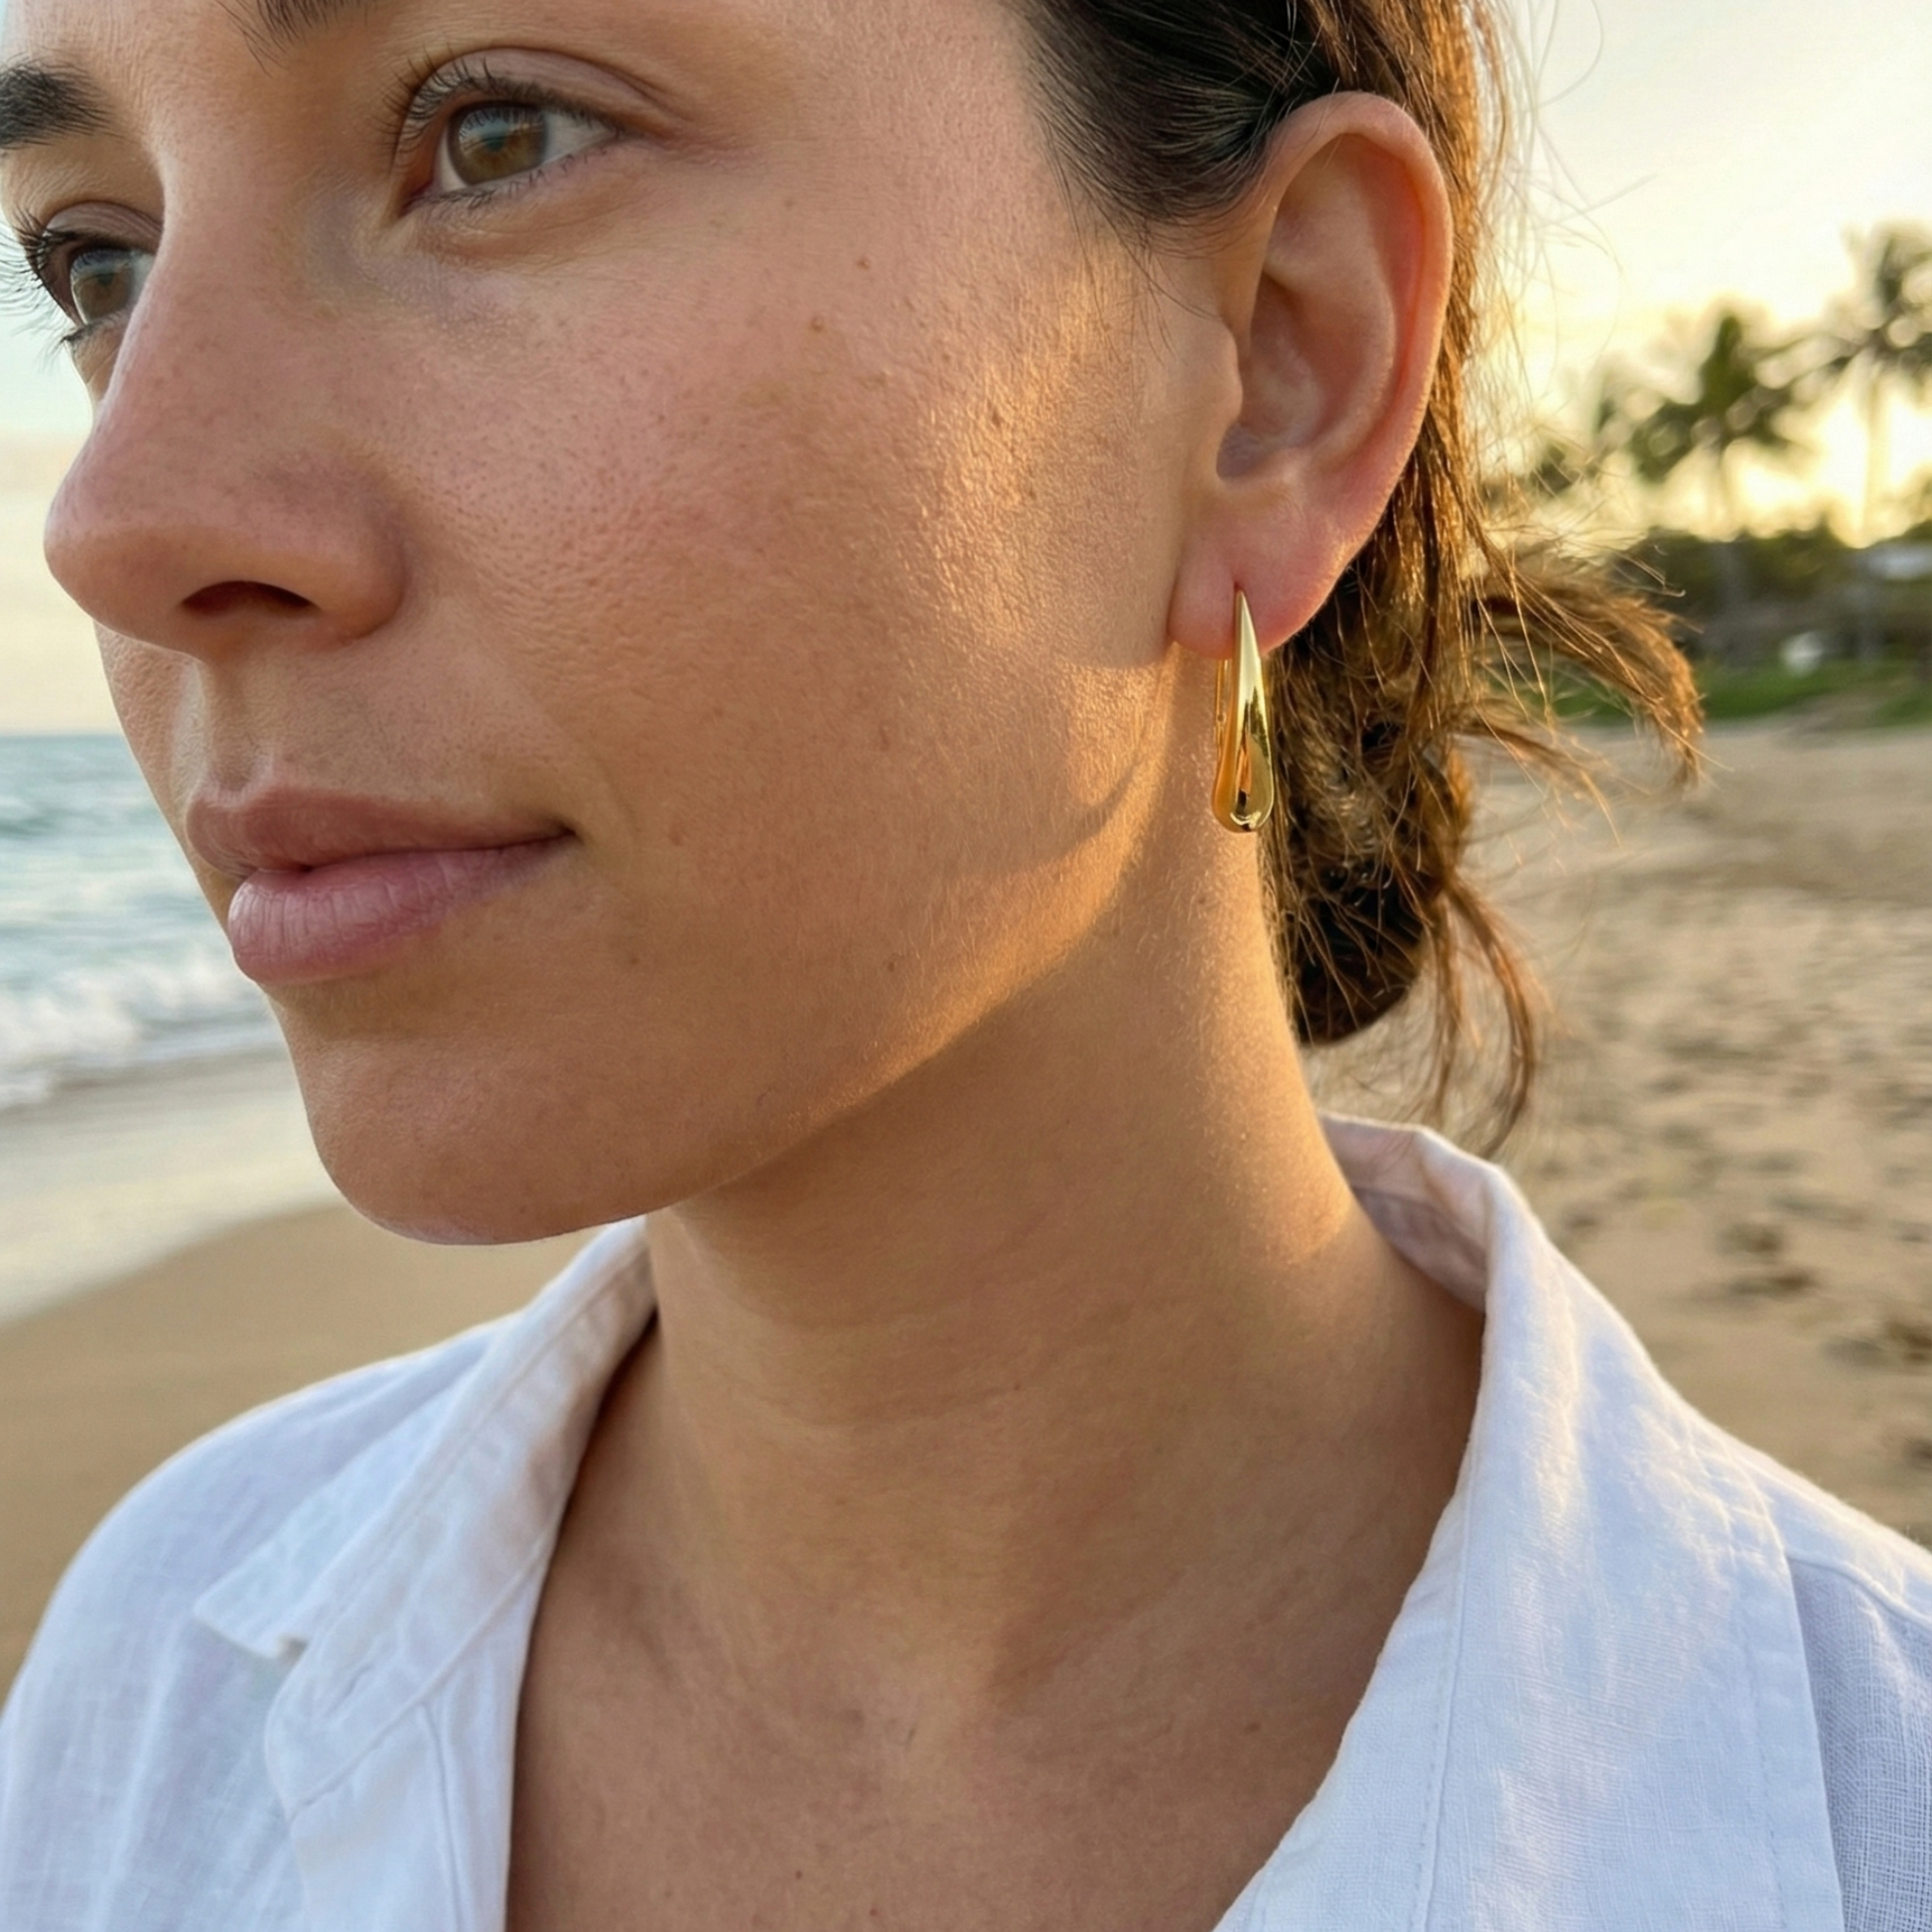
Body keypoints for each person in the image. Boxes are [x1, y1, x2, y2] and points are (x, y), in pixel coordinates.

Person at [0, 0, 1926, 1925]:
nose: (119, 521)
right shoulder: (151, 1688)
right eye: (98, 263)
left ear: (1275, 364)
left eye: (498, 137)